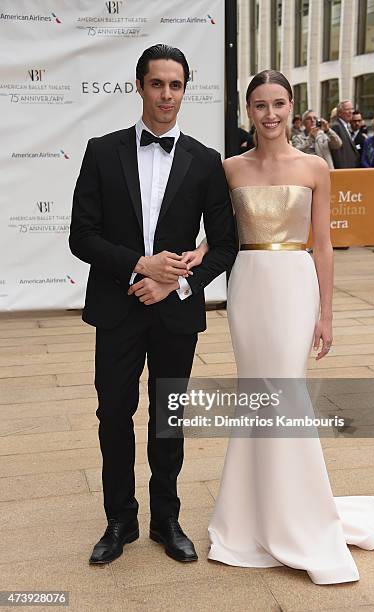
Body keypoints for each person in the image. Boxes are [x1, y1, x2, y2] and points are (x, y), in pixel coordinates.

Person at [183, 70, 374, 585]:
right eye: (259, 105)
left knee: (287, 393)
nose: (270, 114)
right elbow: (222, 236)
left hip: (294, 285)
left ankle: (302, 515)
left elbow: (322, 245)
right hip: (248, 285)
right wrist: (198, 255)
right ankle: (249, 516)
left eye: (278, 104)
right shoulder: (229, 169)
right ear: (247, 110)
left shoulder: (316, 167)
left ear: (291, 106)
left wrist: (326, 313)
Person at [69, 44, 237, 566]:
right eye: (158, 84)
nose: (167, 94)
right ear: (139, 86)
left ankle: (167, 517)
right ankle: (120, 519)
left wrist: (176, 285)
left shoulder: (207, 162)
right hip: (117, 308)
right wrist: (141, 266)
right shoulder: (101, 150)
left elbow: (225, 243)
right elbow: (82, 237)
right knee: (113, 413)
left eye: (176, 85)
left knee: (169, 417)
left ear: (186, 89)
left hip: (174, 312)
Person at [330, 100, 360, 168]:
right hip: (344, 169)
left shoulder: (346, 125)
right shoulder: (336, 126)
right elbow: (337, 152)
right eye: (347, 109)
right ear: (339, 112)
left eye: (352, 109)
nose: (351, 112)